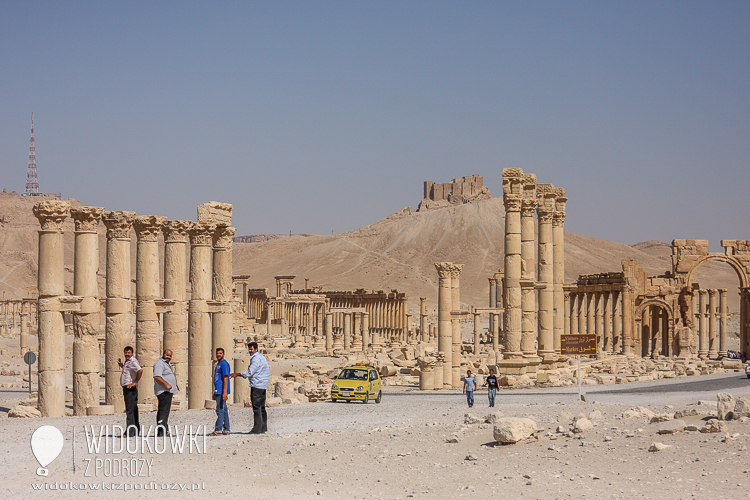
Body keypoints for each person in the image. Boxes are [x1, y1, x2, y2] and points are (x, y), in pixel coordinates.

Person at [231, 342, 270, 434]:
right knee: (261, 407)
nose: (250, 351)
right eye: (249, 349)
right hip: (262, 385)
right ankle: (263, 427)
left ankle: (257, 429)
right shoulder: (262, 357)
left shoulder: (256, 359)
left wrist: (237, 374)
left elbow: (250, 372)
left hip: (257, 385)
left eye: (251, 349)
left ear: (256, 349)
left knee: (256, 407)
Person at [118, 346, 142, 437]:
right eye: (126, 353)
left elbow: (140, 370)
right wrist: (122, 366)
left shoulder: (132, 361)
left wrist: (135, 382)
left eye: (129, 353)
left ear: (132, 353)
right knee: (133, 409)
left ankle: (129, 432)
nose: (127, 354)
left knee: (130, 411)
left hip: (130, 388)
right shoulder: (128, 362)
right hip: (127, 388)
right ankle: (135, 431)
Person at [153, 349, 178, 437]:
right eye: (167, 355)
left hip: (168, 390)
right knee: (163, 411)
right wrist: (166, 384)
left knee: (164, 411)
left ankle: (162, 431)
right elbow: (156, 376)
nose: (169, 357)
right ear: (163, 354)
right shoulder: (159, 363)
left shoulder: (167, 363)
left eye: (170, 355)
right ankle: (162, 431)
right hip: (163, 391)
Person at [210, 348, 231, 436]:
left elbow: (226, 378)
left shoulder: (224, 364)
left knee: (220, 410)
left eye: (220, 353)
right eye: (217, 353)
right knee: (224, 410)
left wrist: (225, 392)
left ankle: (218, 430)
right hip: (218, 390)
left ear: (223, 354)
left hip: (221, 390)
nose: (218, 355)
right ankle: (226, 429)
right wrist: (215, 391)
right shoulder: (219, 364)